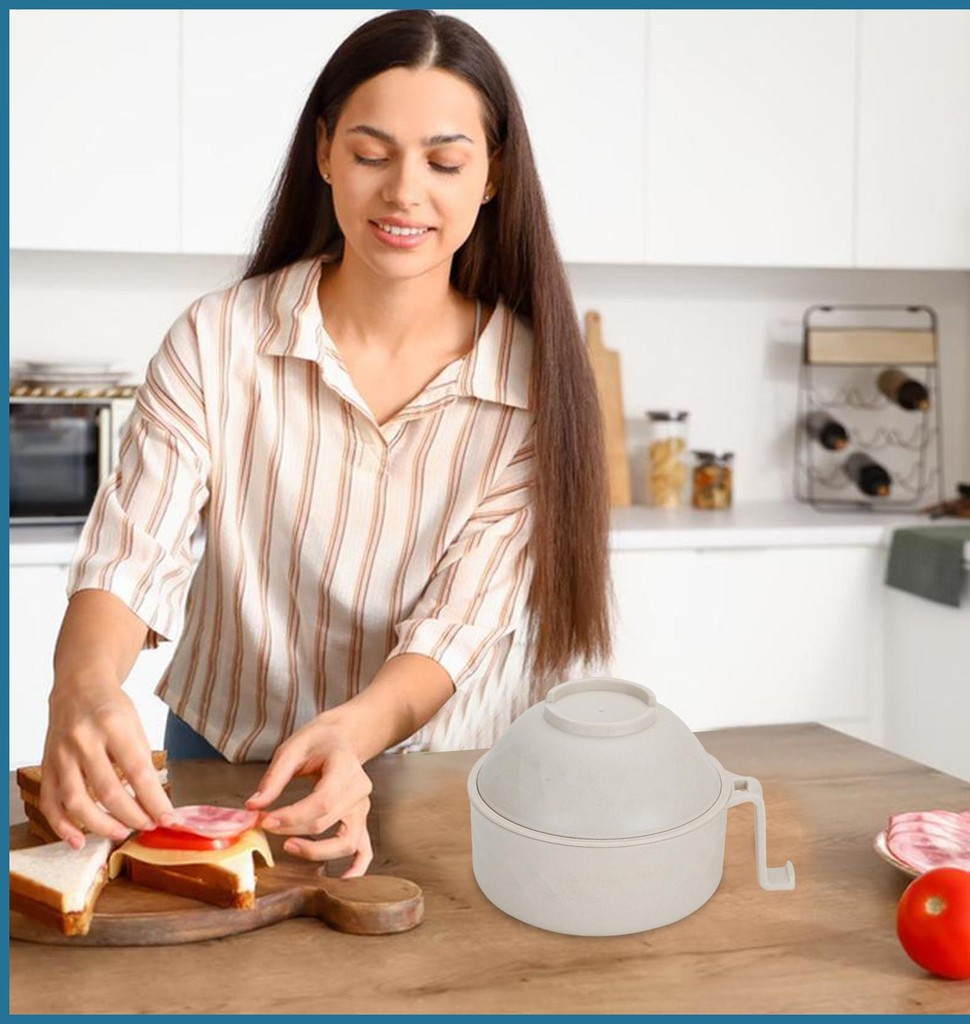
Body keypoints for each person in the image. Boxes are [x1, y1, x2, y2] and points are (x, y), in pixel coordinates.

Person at [39, 9, 611, 877]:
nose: (404, 192)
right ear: (325, 153)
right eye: (372, 154)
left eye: (446, 161)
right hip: (221, 752)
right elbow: (132, 551)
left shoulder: (533, 389)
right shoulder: (218, 339)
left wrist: (355, 732)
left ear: (491, 177)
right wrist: (82, 686)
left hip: (431, 772)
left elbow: (459, 624)